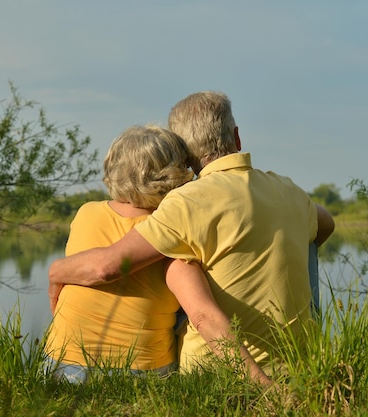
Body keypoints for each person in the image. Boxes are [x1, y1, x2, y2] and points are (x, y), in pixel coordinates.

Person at [48, 92, 335, 378]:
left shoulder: (184, 203)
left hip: (205, 367)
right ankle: (302, 346)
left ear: (185, 153)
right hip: (293, 362)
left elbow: (106, 267)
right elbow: (327, 224)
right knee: (302, 242)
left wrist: (57, 270)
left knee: (182, 258)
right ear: (236, 137)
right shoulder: (290, 191)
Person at [45, 124, 272, 385]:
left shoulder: (86, 213)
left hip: (61, 364)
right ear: (177, 174)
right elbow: (203, 316)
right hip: (141, 373)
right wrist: (263, 386)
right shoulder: (171, 235)